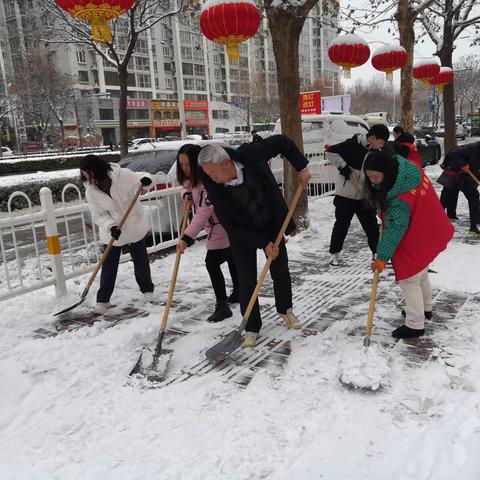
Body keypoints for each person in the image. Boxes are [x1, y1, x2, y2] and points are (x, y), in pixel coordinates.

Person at [197, 135, 311, 348]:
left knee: (280, 270)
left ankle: (285, 309)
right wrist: (262, 242)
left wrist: (301, 167)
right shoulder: (214, 185)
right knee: (247, 279)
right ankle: (251, 326)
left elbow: (283, 142)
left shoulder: (250, 154)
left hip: (270, 222)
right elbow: (231, 224)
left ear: (226, 163)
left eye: (213, 173)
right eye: (207, 175)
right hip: (242, 232)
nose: (211, 179)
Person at [364, 151, 454, 339]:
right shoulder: (408, 170)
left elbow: (395, 230)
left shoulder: (399, 200)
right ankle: (426, 308)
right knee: (420, 272)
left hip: (418, 234)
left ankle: (415, 324)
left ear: (387, 172)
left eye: (376, 177)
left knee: (409, 278)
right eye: (369, 177)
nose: (373, 182)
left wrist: (381, 257)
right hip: (431, 227)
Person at [80, 154, 155, 313]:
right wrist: (111, 226)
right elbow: (98, 215)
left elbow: (143, 178)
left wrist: (147, 181)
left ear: (97, 170)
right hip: (112, 231)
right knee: (108, 265)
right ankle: (103, 300)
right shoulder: (91, 191)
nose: (87, 178)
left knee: (140, 260)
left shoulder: (124, 175)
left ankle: (147, 291)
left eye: (89, 173)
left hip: (134, 224)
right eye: (84, 174)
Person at [175, 144, 240, 323]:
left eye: (188, 165)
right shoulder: (195, 180)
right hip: (220, 226)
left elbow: (203, 212)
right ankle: (239, 290)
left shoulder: (207, 184)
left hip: (221, 226)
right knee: (231, 256)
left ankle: (222, 306)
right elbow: (186, 186)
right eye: (181, 165)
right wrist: (186, 194)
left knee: (212, 263)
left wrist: (187, 238)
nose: (185, 169)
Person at [324, 124, 390, 266]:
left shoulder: (376, 153)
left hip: (364, 196)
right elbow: (330, 152)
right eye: (380, 142)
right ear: (372, 137)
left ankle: (377, 253)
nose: (381, 146)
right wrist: (344, 167)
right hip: (345, 194)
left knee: (371, 225)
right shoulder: (352, 143)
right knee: (341, 225)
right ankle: (334, 254)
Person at [441, 142, 480, 236]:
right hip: (453, 170)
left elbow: (476, 167)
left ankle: (474, 224)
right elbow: (454, 153)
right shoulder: (473, 148)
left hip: (464, 173)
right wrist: (462, 164)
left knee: (473, 196)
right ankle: (435, 219)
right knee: (446, 196)